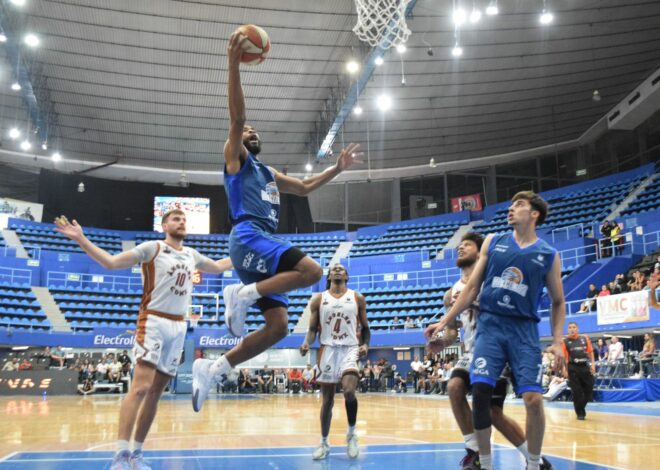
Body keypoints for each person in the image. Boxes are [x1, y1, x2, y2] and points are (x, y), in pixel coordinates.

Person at [191, 29, 361, 412]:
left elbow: (302, 187)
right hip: (248, 235)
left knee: (279, 328)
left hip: (260, 248)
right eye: (248, 131)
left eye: (255, 132)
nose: (251, 131)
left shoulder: (267, 172)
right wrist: (233, 64)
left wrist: (336, 168)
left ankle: (212, 367)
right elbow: (237, 119)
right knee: (314, 271)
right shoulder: (237, 161)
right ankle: (242, 294)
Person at [54, 210, 232, 470]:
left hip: (180, 325)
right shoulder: (154, 248)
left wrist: (244, 255)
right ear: (164, 226)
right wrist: (81, 238)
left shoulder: (191, 254)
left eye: (183, 219)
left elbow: (217, 267)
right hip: (154, 321)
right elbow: (112, 263)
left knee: (156, 393)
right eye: (175, 219)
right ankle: (120, 454)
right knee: (140, 388)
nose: (181, 222)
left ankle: (136, 453)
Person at [427, 191, 565, 470]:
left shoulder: (541, 254)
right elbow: (454, 328)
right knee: (462, 390)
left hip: (518, 332)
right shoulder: (455, 289)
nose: (460, 249)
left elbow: (557, 301)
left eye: (466, 245)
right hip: (481, 341)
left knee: (508, 405)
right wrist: (441, 331)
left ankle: (533, 459)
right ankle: (479, 453)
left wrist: (558, 340)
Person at [299, 264, 370, 460]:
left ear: (347, 275)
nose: (337, 270)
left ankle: (352, 434)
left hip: (349, 349)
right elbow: (313, 329)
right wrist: (306, 342)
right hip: (327, 350)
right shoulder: (318, 299)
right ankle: (324, 442)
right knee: (327, 401)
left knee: (348, 391)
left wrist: (365, 345)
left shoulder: (357, 298)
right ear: (329, 276)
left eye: (341, 268)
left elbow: (365, 328)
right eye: (333, 269)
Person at [562, 322, 595, 420]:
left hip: (585, 366)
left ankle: (580, 407)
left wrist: (593, 364)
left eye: (574, 327)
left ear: (577, 329)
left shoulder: (584, 339)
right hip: (572, 367)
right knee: (577, 392)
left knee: (589, 388)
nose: (572, 329)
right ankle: (580, 413)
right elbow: (564, 357)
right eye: (570, 327)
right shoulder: (565, 341)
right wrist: (564, 368)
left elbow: (590, 352)